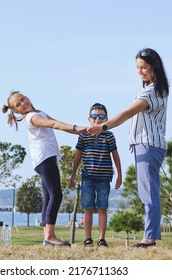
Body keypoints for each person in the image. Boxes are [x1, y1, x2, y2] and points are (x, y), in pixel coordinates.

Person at [88, 48, 169, 248]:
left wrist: (102, 127)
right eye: (137, 68)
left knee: (148, 192)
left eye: (144, 67)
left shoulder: (151, 91)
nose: (140, 71)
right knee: (147, 192)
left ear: (154, 67)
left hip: (148, 145)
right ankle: (149, 236)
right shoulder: (156, 88)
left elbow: (126, 114)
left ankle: (149, 238)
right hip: (148, 145)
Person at [2, 90, 86, 247]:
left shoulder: (39, 112)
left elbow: (58, 123)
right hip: (45, 157)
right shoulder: (32, 117)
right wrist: (76, 128)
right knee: (56, 195)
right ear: (16, 111)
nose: (22, 103)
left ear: (27, 97)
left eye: (22, 99)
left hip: (44, 158)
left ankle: (47, 237)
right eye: (18, 104)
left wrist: (81, 131)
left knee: (48, 197)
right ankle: (50, 237)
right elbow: (54, 125)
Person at [70, 103, 122, 247]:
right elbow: (78, 156)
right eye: (94, 116)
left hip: (104, 178)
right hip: (87, 177)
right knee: (88, 208)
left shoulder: (109, 136)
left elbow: (116, 155)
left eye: (101, 116)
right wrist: (73, 175)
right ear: (89, 119)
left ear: (106, 119)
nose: (97, 119)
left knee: (102, 208)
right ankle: (88, 239)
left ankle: (101, 239)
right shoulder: (83, 136)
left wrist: (119, 174)